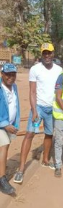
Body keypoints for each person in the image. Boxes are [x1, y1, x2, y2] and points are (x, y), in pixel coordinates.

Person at [14, 43, 63, 184]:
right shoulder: (35, 69)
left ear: (53, 54)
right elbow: (32, 91)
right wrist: (34, 110)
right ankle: (21, 169)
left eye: (49, 53)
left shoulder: (59, 70)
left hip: (52, 108)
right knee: (29, 134)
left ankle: (45, 160)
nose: (47, 56)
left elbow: (60, 91)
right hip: (39, 108)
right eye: (44, 53)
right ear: (42, 54)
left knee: (49, 134)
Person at [0, 64, 20, 195]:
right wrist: (4, 123)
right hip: (2, 124)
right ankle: (2, 180)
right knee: (4, 146)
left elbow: (15, 105)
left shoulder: (15, 87)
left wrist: (15, 123)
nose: (10, 77)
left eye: (13, 74)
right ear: (2, 74)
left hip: (10, 124)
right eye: (8, 74)